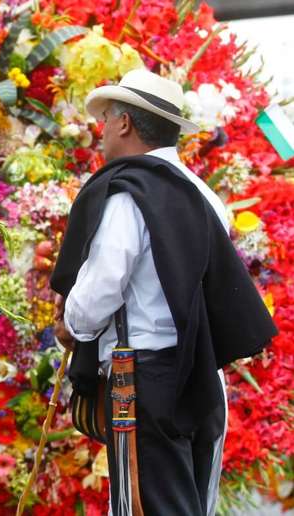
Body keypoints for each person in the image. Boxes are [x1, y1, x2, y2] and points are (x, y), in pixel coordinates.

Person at [49, 69, 277, 515]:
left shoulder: (127, 194)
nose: (102, 132)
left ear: (125, 124)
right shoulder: (206, 196)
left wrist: (71, 322)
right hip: (203, 380)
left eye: (106, 119)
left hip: (144, 383)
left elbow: (99, 290)